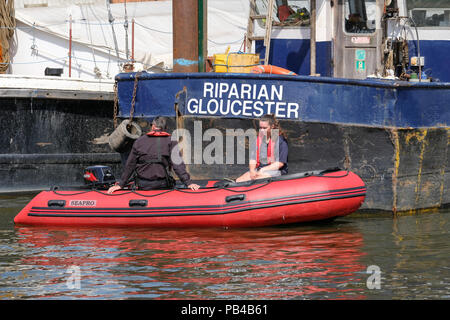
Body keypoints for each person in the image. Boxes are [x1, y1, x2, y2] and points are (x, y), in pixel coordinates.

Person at [108, 116, 200, 193]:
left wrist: (121, 184)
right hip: (161, 185)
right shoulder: (171, 141)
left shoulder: (139, 141)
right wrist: (188, 183)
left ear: (152, 127)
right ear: (165, 128)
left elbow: (130, 165)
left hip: (143, 185)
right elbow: (178, 166)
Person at [236, 114, 288, 182]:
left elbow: (280, 163)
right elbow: (253, 159)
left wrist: (263, 170)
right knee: (239, 180)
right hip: (259, 169)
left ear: (272, 126)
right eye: (261, 128)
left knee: (255, 181)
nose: (262, 130)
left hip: (275, 171)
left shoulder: (281, 141)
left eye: (265, 128)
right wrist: (252, 171)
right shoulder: (258, 140)